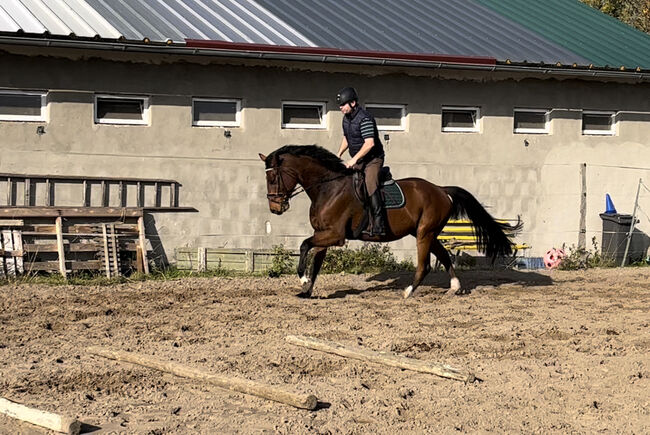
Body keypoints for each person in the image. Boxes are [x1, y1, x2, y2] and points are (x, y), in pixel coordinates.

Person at [336, 87, 386, 236]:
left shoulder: (365, 118)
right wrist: (338, 154)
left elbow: (369, 143)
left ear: (353, 103)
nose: (341, 108)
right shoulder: (346, 119)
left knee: (370, 184)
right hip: (358, 158)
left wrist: (353, 160)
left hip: (372, 159)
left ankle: (378, 223)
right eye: (340, 105)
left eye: (343, 104)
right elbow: (347, 138)